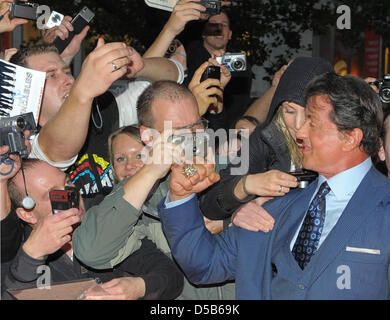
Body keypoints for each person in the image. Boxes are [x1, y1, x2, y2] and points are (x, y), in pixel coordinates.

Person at [158, 72, 390, 299]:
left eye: (313, 123)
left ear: (350, 137)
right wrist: (182, 196)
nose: (299, 132)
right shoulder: (276, 206)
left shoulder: (384, 207)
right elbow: (205, 265)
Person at [72, 81, 240, 299]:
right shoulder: (140, 194)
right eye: (180, 130)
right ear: (149, 137)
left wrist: (231, 217)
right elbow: (91, 252)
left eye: (197, 125)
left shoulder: (230, 169)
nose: (194, 136)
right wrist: (151, 172)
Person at [10, 40, 184, 208]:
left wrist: (140, 67)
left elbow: (172, 79)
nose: (69, 80)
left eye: (68, 72)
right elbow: (59, 148)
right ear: (27, 93)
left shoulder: (102, 110)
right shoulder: (24, 146)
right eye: (52, 75)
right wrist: (84, 89)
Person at [2, 159, 184, 300]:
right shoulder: (14, 250)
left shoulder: (104, 218)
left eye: (68, 183)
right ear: (28, 215)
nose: (70, 195)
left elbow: (172, 278)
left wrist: (139, 287)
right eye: (53, 194)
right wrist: (32, 255)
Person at [199, 57, 334, 229]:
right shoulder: (266, 137)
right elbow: (209, 203)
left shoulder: (342, 143)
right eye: (290, 111)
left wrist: (275, 203)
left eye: (309, 113)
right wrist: (246, 186)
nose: (298, 124)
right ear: (278, 108)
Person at [185, 9, 253, 129]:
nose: (219, 28)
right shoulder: (186, 57)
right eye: (213, 24)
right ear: (203, 33)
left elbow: (238, 108)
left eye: (224, 24)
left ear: (230, 34)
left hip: (225, 134)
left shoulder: (239, 65)